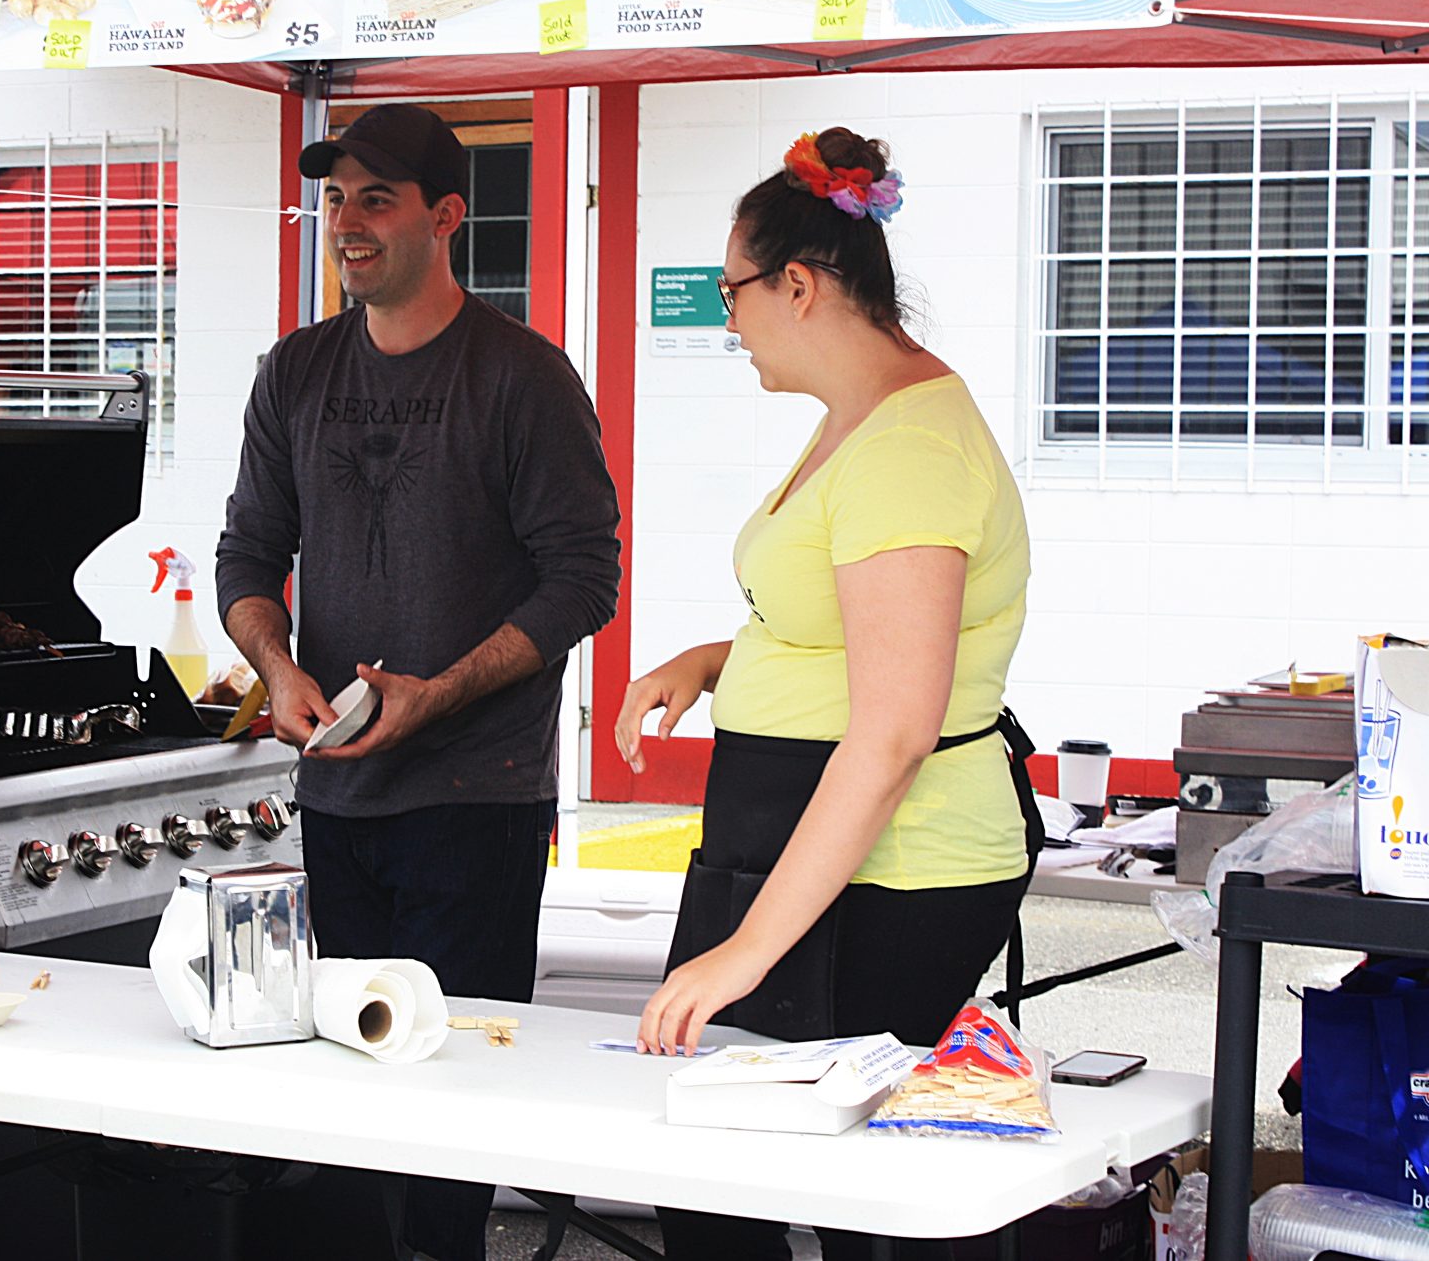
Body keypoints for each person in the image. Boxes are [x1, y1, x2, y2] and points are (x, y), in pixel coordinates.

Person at [613, 128, 1038, 1261]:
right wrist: (714, 662)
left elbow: (893, 730)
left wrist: (747, 949)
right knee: (717, 1172)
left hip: (894, 869)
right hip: (793, 837)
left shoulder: (908, 452)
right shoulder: (857, 420)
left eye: (733, 292)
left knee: (845, 1196)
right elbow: (843, 624)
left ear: (796, 285)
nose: (729, 321)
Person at [216, 103, 620, 1260]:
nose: (345, 222)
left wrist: (438, 692)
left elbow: (583, 579)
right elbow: (247, 554)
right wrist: (277, 665)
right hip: (336, 794)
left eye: (375, 200)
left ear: (445, 216)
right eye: (334, 199)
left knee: (452, 1091)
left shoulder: (521, 376)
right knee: (344, 1082)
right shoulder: (294, 371)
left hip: (475, 797)